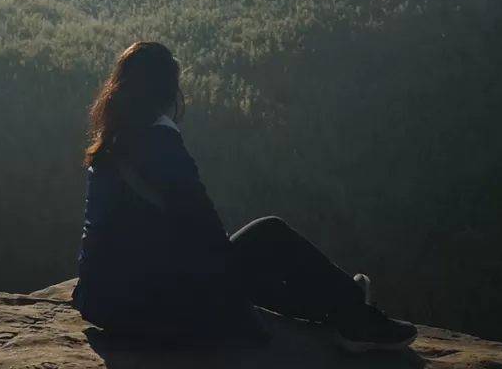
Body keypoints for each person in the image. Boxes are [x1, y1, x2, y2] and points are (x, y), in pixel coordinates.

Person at [73, 40, 418, 352]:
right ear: (166, 91)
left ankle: (345, 308)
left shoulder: (107, 147)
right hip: (157, 311)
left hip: (104, 302)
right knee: (270, 234)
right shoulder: (161, 142)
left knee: (239, 270)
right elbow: (205, 231)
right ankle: (355, 313)